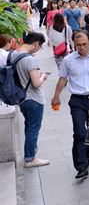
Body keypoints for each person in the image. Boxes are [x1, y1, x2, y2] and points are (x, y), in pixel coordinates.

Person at [51, 31, 89, 179]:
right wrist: (56, 96)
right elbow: (62, 79)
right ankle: (81, 166)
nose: (82, 47)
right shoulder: (68, 60)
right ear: (74, 44)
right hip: (77, 101)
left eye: (84, 44)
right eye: (78, 45)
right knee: (80, 133)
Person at [9, 32, 49, 167]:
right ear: (36, 44)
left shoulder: (14, 54)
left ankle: (30, 151)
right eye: (40, 46)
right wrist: (43, 76)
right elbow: (36, 83)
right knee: (33, 127)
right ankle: (30, 158)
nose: (39, 49)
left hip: (21, 97)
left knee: (29, 125)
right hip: (33, 98)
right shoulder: (29, 59)